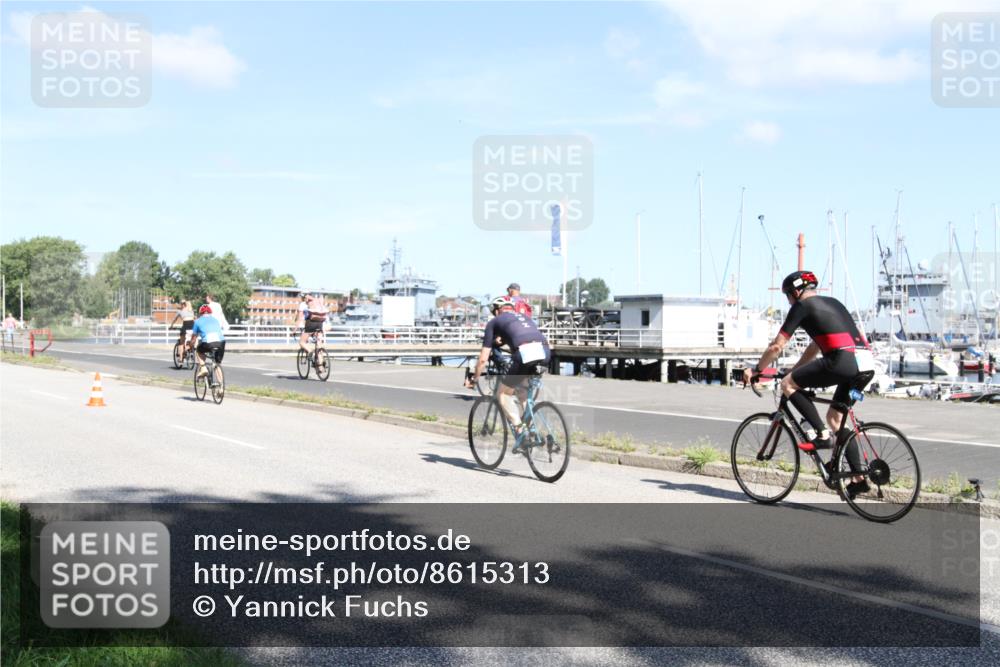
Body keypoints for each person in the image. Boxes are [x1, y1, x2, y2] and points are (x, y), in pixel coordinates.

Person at [743, 270, 874, 498]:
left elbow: (777, 346)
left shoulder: (802, 307)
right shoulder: (833, 302)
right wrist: (795, 371)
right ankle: (859, 478)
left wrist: (757, 370)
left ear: (795, 292)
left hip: (842, 361)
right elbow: (814, 347)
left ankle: (821, 436)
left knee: (788, 386)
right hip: (865, 364)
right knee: (836, 418)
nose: (789, 301)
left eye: (787, 296)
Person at [465, 296, 550, 439]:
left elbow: (483, 359)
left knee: (502, 394)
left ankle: (518, 428)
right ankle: (532, 428)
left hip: (525, 354)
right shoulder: (523, 318)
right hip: (545, 352)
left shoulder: (494, 322)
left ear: (497, 311)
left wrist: (474, 378)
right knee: (522, 391)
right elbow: (521, 337)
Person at [190, 304, 226, 378]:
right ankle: (221, 387)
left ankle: (203, 368)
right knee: (217, 364)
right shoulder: (215, 320)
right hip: (221, 342)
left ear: (200, 313)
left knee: (199, 350)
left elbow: (194, 338)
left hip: (208, 343)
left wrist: (191, 345)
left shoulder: (197, 321)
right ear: (210, 312)